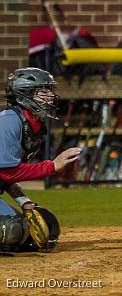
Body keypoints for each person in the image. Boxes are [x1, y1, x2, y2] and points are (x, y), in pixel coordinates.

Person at [1, 67, 80, 252]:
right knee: (10, 228)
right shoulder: (9, 121)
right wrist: (52, 166)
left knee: (46, 228)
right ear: (26, 94)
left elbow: (5, 178)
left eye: (50, 90)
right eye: (43, 91)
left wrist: (25, 203)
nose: (51, 95)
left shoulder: (34, 125)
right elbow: (6, 172)